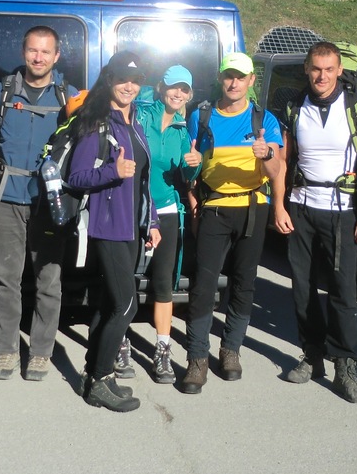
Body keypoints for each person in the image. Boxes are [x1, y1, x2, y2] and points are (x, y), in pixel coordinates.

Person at [179, 52, 285, 394]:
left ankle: (230, 351)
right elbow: (191, 169)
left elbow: (276, 171)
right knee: (203, 284)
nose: (234, 82)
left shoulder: (264, 119)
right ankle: (197, 358)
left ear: (251, 80)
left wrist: (267, 154)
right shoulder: (201, 116)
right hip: (213, 208)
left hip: (253, 208)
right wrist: (192, 188)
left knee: (243, 283)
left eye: (241, 77)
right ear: (220, 78)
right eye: (229, 76)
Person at [278, 42, 357, 403]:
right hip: (301, 205)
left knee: (342, 289)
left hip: (341, 209)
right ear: (307, 69)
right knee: (302, 287)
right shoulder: (294, 106)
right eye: (316, 69)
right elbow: (284, 160)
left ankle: (345, 364)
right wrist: (279, 207)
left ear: (339, 71)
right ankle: (312, 354)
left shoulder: (355, 106)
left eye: (329, 69)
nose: (322, 76)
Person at [0, 26, 77, 382]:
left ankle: (40, 353)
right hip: (7, 198)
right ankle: (6, 350)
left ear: (56, 56)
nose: (38, 57)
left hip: (48, 202)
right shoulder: (2, 93)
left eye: (45, 51)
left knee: (48, 281)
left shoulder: (69, 97)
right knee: (6, 281)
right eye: (33, 50)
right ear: (24, 52)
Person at [67, 52, 160, 412]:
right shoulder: (97, 122)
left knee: (109, 302)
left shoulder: (133, 121)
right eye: (123, 79)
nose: (129, 86)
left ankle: (95, 375)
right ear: (109, 80)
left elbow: (143, 181)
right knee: (126, 304)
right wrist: (112, 171)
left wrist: (151, 221)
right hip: (107, 226)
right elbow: (76, 177)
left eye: (135, 81)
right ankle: (101, 379)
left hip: (131, 226)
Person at [133, 65, 203, 384]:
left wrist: (194, 166)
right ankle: (119, 343)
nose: (178, 93)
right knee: (124, 278)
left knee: (163, 283)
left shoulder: (182, 131)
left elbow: (184, 178)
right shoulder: (141, 115)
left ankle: (162, 350)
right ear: (162, 88)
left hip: (167, 210)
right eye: (174, 87)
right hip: (133, 208)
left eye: (184, 89)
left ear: (189, 95)